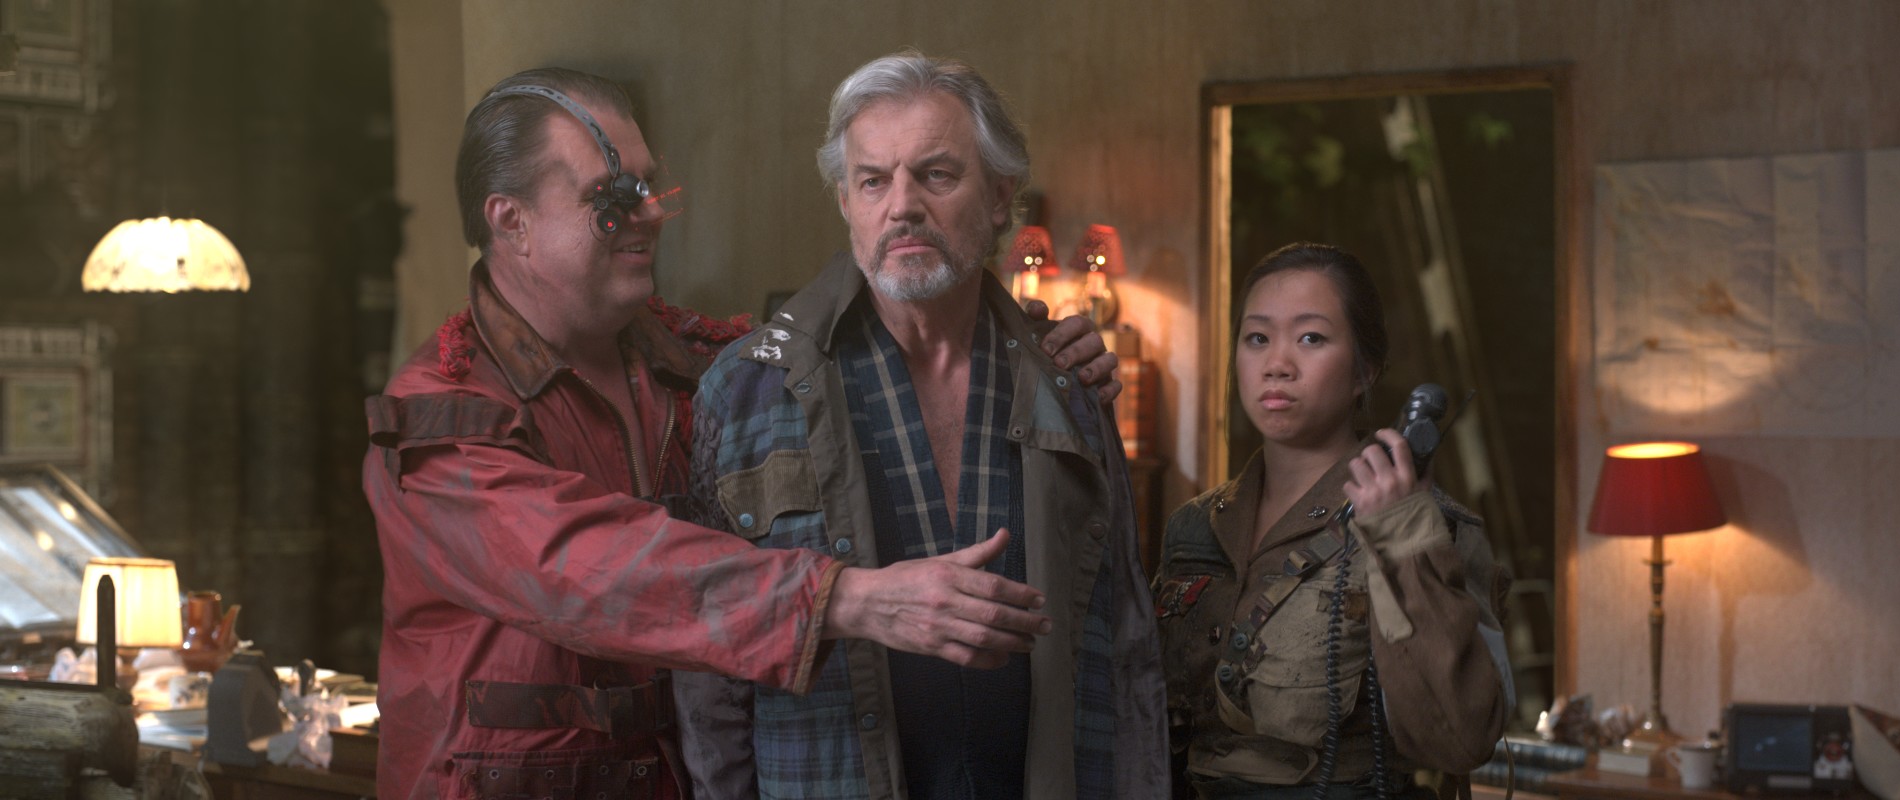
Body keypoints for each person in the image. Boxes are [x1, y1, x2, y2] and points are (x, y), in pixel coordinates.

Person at [363, 67, 1117, 800]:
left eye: (648, 186)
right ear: (511, 222)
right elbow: (582, 569)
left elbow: (867, 342)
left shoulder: (705, 369)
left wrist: (1028, 347)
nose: (650, 213)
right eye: (610, 198)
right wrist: (848, 599)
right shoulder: (440, 417)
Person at [671, 51, 1168, 799]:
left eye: (936, 175)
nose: (902, 205)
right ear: (846, 201)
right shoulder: (747, 389)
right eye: (874, 180)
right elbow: (707, 666)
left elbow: (1126, 645)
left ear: (999, 198)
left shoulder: (1066, 383)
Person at [1154, 243, 1512, 800]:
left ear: (1364, 371)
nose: (1277, 364)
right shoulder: (1193, 528)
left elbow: (1461, 741)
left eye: (1311, 338)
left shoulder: (1434, 527)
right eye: (1257, 338)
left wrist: (1402, 537)